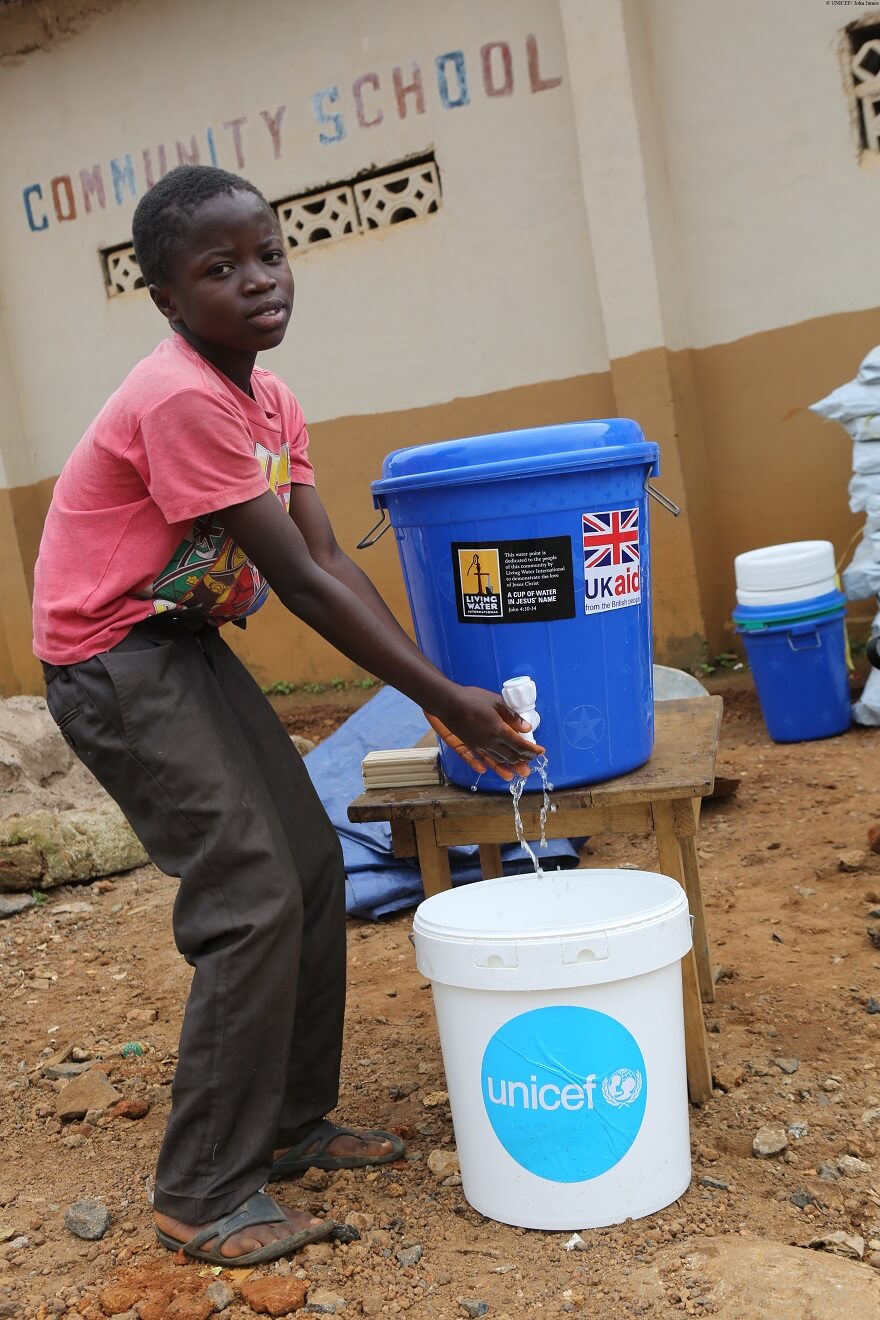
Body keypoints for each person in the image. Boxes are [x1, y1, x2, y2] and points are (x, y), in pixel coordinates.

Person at [32, 164, 541, 1268]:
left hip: (178, 640)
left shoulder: (270, 403)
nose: (259, 280)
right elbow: (303, 586)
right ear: (169, 299)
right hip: (110, 658)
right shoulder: (177, 398)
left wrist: (435, 687)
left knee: (308, 862)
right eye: (221, 269)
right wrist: (440, 698)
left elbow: (326, 557)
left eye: (269, 254)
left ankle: (291, 1124)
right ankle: (203, 1189)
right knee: (248, 892)